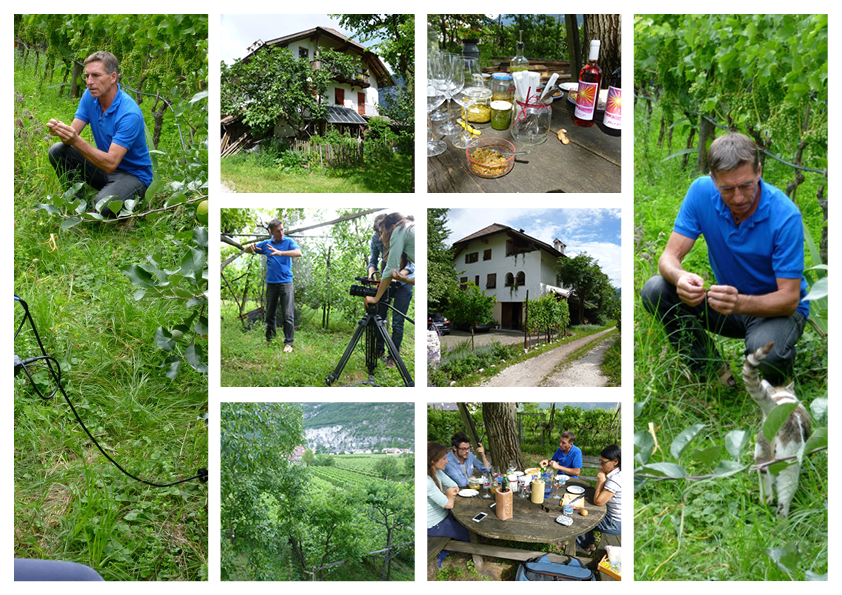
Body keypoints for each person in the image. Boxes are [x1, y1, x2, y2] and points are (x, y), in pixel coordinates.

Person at [640, 133, 808, 386]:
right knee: (656, 288)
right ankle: (714, 373)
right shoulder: (700, 192)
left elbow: (789, 300)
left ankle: (780, 384)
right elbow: (669, 257)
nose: (738, 197)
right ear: (713, 179)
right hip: (728, 304)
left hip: (776, 310)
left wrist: (739, 303)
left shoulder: (785, 217)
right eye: (727, 189)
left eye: (747, 185)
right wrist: (680, 276)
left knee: (765, 351)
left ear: (759, 171)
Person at [47, 51, 153, 219]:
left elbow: (111, 163)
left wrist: (74, 139)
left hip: (133, 176)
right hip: (104, 168)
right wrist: (62, 131)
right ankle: (76, 202)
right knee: (58, 150)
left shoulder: (129, 113)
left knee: (102, 205)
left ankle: (109, 201)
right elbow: (72, 136)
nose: (89, 82)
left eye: (96, 75)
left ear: (113, 77)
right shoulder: (90, 96)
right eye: (87, 76)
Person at [244, 219, 302, 351]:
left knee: (288, 314)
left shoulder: (288, 242)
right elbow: (248, 250)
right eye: (278, 231)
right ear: (271, 232)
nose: (281, 232)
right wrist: (250, 248)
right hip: (271, 283)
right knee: (270, 313)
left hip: (286, 282)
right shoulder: (266, 244)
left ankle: (289, 343)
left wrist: (280, 252)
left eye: (282, 229)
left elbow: (298, 253)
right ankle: (270, 339)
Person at [368, 213, 414, 368]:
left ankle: (393, 357)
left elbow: (412, 264)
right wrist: (372, 275)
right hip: (387, 276)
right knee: (379, 316)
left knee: (398, 322)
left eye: (381, 233)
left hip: (402, 278)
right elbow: (374, 261)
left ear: (389, 227)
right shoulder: (378, 237)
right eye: (377, 234)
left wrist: (401, 276)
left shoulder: (399, 233)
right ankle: (379, 350)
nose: (380, 238)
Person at [577, 444, 621, 554]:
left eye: (603, 462)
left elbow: (598, 501)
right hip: (616, 517)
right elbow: (599, 493)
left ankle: (584, 548)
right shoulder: (618, 472)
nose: (600, 464)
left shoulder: (615, 480)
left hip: (614, 523)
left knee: (579, 517)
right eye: (599, 461)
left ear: (615, 461)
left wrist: (601, 480)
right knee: (586, 510)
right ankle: (590, 544)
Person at [364, 212, 415, 308]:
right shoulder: (409, 229)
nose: (380, 239)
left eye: (382, 232)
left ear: (392, 227)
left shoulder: (399, 230)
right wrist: (406, 279)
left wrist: (376, 298)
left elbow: (391, 268)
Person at [427, 442, 470, 542]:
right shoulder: (427, 482)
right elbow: (449, 505)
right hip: (434, 524)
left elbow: (454, 485)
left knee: (470, 523)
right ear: (433, 461)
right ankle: (441, 552)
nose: (447, 461)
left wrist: (450, 494)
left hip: (445, 514)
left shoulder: (437, 472)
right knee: (472, 536)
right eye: (444, 459)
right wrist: (449, 495)